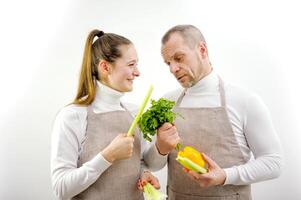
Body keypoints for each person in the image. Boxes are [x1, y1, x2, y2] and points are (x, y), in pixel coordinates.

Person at [144, 24, 284, 199]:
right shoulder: (167, 103)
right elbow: (152, 164)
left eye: (179, 58)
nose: (173, 69)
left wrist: (225, 176)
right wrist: (161, 148)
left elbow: (273, 162)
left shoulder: (244, 100)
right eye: (168, 63)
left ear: (202, 50)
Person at [51, 29, 163, 200]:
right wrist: (108, 155)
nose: (138, 72)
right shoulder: (72, 116)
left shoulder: (134, 112)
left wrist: (143, 173)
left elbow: (139, 163)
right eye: (131, 64)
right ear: (105, 67)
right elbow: (61, 189)